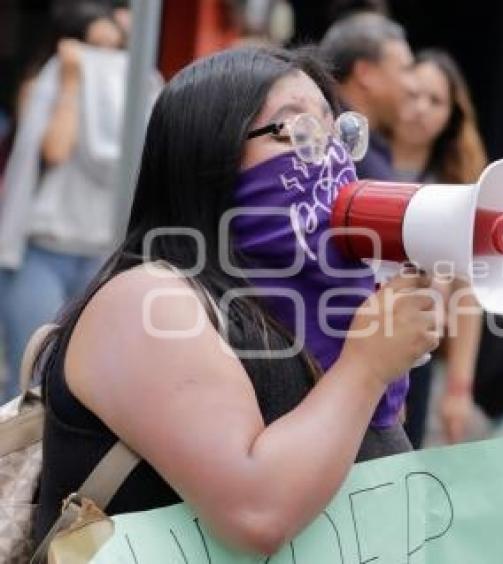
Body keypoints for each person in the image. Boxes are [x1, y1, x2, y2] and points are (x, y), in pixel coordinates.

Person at [32, 46, 439, 554]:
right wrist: (367, 365)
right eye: (294, 131)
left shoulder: (306, 307)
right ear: (208, 153)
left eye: (336, 132)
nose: (329, 154)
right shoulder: (147, 302)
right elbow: (257, 511)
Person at [0, 2, 132, 401]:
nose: (105, 61)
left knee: (80, 380)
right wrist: (72, 81)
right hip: (41, 252)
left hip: (98, 252)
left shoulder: (131, 88)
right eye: (95, 49)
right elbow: (56, 149)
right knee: (30, 377)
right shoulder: (44, 84)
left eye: (115, 49)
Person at [391, 49, 487, 447]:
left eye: (435, 101)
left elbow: (468, 292)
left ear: (453, 114)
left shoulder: (458, 184)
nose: (420, 109)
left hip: (420, 351)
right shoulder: (352, 163)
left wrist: (459, 388)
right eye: (413, 95)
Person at [320, 11, 415, 181]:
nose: (413, 87)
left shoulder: (346, 145)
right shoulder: (343, 159)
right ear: (365, 73)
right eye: (405, 70)